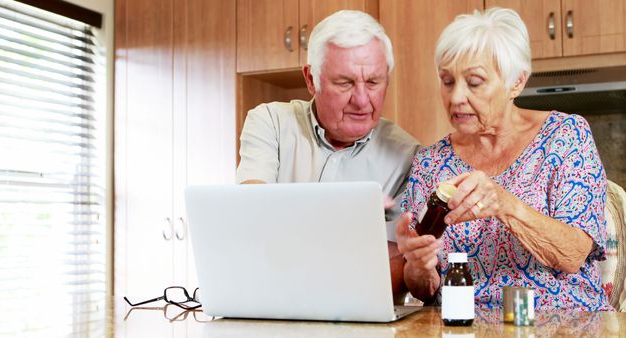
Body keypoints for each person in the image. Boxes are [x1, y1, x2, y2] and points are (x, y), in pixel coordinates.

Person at [395, 7, 613, 311]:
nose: (456, 97)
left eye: (474, 82)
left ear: (516, 82)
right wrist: (418, 266)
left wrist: (503, 203)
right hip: (462, 327)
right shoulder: (430, 162)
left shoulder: (565, 136)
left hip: (562, 324)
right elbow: (424, 290)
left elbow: (574, 253)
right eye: (447, 81)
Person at [236, 10, 420, 301]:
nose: (362, 100)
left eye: (373, 82)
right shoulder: (269, 122)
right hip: (269, 306)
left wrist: (288, 229)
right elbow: (252, 214)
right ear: (312, 79)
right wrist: (349, 222)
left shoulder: (408, 155)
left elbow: (398, 268)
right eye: (345, 83)